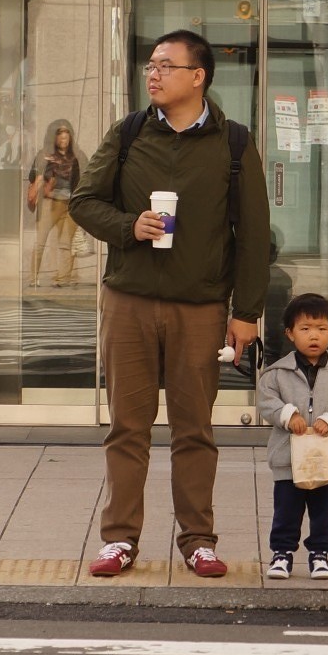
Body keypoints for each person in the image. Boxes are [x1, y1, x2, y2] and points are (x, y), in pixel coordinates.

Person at [70, 30, 269, 579]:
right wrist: (129, 226)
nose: (152, 74)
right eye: (150, 65)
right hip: (128, 302)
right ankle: (120, 540)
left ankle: (198, 540)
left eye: (165, 65)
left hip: (200, 308)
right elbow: (84, 203)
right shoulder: (130, 133)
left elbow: (254, 235)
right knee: (127, 428)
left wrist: (246, 312)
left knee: (194, 430)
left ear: (198, 76)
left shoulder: (233, 144)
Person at [257, 292, 328, 581]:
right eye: (305, 329)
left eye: (321, 329)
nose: (313, 336)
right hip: (288, 459)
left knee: (322, 512)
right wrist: (288, 415)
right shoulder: (276, 374)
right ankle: (282, 554)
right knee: (286, 510)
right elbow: (266, 401)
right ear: (290, 334)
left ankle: (320, 554)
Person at [26, 120, 80, 289]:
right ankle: (33, 277)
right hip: (50, 202)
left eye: (67, 137)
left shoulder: (74, 157)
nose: (64, 140)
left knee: (66, 242)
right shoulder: (44, 155)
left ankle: (63, 278)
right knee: (41, 240)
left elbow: (79, 181)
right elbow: (33, 176)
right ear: (54, 139)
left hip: (69, 203)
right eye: (61, 137)